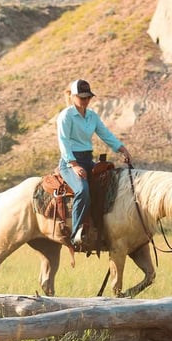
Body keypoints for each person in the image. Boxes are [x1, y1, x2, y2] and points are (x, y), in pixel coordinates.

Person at [57, 79, 132, 248]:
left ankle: (102, 229)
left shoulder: (92, 116)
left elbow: (105, 134)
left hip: (87, 159)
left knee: (109, 185)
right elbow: (64, 142)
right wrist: (74, 165)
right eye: (82, 97)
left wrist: (122, 149)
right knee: (82, 191)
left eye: (88, 97)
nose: (86, 100)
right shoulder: (66, 116)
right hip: (69, 162)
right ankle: (76, 235)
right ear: (74, 96)